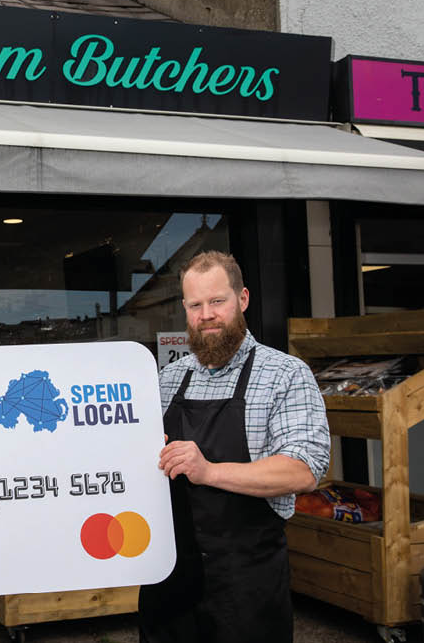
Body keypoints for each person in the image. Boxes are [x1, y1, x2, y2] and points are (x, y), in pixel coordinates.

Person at [138, 250, 330, 643]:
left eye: (217, 301)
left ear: (242, 299)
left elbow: (303, 469)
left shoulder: (285, 374)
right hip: (170, 583)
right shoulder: (167, 379)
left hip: (246, 586)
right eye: (195, 305)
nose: (206, 315)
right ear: (185, 309)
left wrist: (208, 470)